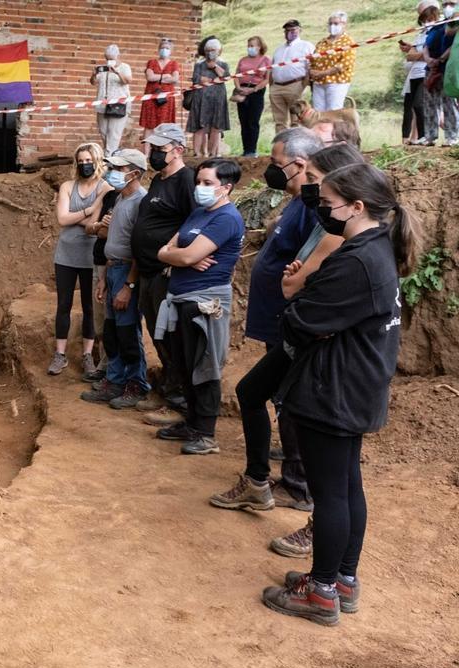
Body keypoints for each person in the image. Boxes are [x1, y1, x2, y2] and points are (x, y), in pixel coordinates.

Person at [261, 163, 421, 626]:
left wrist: (302, 309)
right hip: (357, 385)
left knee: (331, 494)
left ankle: (323, 591)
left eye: (329, 204)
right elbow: (319, 318)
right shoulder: (375, 248)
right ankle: (342, 579)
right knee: (347, 487)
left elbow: (299, 320)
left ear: (356, 207)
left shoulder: (356, 261)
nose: (323, 211)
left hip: (333, 389)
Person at [207, 128, 326, 515]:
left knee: (289, 400)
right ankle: (284, 476)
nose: (271, 171)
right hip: (277, 320)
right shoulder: (295, 202)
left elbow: (313, 267)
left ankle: (296, 484)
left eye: (276, 165)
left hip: (289, 322)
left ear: (300, 164)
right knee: (278, 397)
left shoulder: (314, 209)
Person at [152, 159, 245, 456]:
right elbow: (165, 251)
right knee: (184, 362)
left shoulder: (226, 218)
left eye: (207, 183)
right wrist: (179, 254)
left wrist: (181, 255)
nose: (200, 188)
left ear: (226, 188)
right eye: (199, 182)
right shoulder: (199, 214)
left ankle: (205, 433)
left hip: (206, 302)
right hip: (182, 299)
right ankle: (191, 423)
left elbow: (186, 256)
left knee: (204, 364)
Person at [131, 123, 196, 423]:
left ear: (178, 150)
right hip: (147, 271)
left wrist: (177, 259)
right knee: (157, 334)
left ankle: (178, 399)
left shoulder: (187, 181)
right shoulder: (159, 180)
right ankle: (168, 388)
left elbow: (195, 225)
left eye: (159, 149)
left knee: (170, 335)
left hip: (165, 273)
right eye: (152, 148)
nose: (153, 153)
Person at [80, 149, 150, 409]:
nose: (113, 173)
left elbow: (139, 250)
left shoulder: (141, 201)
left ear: (135, 173)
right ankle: (115, 380)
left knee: (128, 332)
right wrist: (104, 278)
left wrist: (129, 286)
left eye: (119, 169)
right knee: (112, 332)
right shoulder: (121, 198)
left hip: (126, 273)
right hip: (113, 270)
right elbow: (114, 240)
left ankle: (137, 384)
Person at [48, 142, 111, 378]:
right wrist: (90, 209)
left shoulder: (105, 187)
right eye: (81, 161)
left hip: (92, 255)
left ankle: (87, 355)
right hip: (66, 253)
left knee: (88, 307)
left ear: (97, 161)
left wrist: (87, 220)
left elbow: (96, 226)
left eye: (89, 160)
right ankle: (60, 354)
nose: (85, 165)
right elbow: (62, 219)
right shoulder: (67, 186)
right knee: (63, 305)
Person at [187, 38, 230, 158]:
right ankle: (197, 152)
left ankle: (213, 153)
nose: (210, 52)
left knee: (216, 127)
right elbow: (197, 79)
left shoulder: (223, 64)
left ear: (218, 51)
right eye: (208, 50)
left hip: (218, 99)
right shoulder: (199, 64)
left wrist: (214, 67)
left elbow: (225, 77)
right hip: (201, 98)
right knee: (200, 126)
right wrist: (212, 80)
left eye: (213, 50)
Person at [270, 20, 316, 133]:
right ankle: (281, 146)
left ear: (299, 30)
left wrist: (303, 85)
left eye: (293, 30)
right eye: (287, 30)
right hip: (277, 87)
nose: (289, 33)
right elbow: (272, 68)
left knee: (296, 119)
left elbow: (311, 67)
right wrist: (271, 86)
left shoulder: (306, 46)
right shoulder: (279, 49)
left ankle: (296, 146)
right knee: (279, 121)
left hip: (295, 85)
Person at [424, 1, 459, 146]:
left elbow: (454, 45)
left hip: (447, 68)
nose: (447, 7)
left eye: (451, 3)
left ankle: (452, 136)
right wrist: (428, 60)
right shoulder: (438, 25)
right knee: (430, 104)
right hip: (431, 68)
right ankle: (430, 136)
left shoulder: (455, 25)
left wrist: (441, 59)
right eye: (444, 4)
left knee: (449, 103)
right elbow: (426, 44)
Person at [309, 12, 358, 112]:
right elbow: (312, 59)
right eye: (330, 23)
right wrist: (311, 71)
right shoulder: (322, 42)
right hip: (319, 83)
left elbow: (344, 64)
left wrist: (322, 73)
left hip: (337, 82)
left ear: (344, 24)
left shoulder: (348, 42)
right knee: (319, 113)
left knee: (333, 112)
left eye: (336, 23)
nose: (332, 26)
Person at [401, 4, 434, 145]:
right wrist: (421, 55)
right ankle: (422, 136)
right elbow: (410, 55)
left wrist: (420, 55)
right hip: (414, 74)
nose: (426, 22)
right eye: (423, 19)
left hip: (426, 73)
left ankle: (426, 135)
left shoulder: (435, 34)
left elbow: (432, 53)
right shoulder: (420, 35)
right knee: (414, 106)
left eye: (428, 19)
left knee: (419, 104)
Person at [90, 44, 132, 153]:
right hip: (102, 105)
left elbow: (127, 81)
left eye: (111, 58)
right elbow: (93, 82)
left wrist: (116, 72)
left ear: (117, 56)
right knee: (104, 133)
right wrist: (94, 75)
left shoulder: (124, 67)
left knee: (114, 134)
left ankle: (109, 160)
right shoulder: (103, 69)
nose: (108, 61)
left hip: (118, 105)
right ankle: (110, 154)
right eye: (107, 58)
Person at [140, 38, 179, 154]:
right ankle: (146, 154)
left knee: (164, 126)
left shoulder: (174, 64)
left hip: (166, 99)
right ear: (158, 49)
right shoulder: (152, 62)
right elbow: (149, 77)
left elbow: (175, 79)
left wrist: (158, 77)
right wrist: (165, 76)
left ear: (171, 51)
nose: (164, 50)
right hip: (151, 97)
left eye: (167, 48)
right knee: (149, 125)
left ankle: (162, 152)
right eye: (162, 48)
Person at [235, 36, 272, 157]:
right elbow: (236, 75)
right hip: (241, 91)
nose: (250, 48)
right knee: (244, 121)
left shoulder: (265, 60)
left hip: (256, 91)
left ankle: (252, 150)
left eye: (253, 45)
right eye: (249, 45)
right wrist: (239, 88)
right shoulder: (242, 60)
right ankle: (246, 149)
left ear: (259, 47)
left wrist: (254, 89)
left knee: (253, 121)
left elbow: (267, 79)